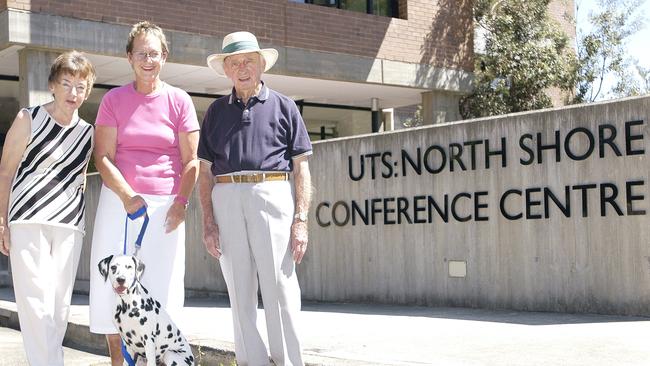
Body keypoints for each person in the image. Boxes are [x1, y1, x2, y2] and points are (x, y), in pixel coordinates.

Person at [198, 31, 313, 366]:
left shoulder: (285, 106)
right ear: (227, 69)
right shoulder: (216, 112)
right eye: (234, 62)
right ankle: (252, 362)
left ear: (262, 64)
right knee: (239, 289)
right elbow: (204, 173)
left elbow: (302, 169)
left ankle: (289, 362)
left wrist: (301, 220)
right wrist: (208, 221)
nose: (242, 67)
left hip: (272, 193)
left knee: (279, 287)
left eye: (249, 60)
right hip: (226, 197)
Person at [88, 21, 200, 366]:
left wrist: (181, 204)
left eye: (154, 53)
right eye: (141, 53)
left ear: (164, 57)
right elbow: (102, 156)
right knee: (113, 287)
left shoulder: (179, 100)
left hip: (166, 206)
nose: (148, 59)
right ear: (129, 57)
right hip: (119, 202)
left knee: (160, 290)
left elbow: (191, 161)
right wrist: (126, 195)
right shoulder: (113, 99)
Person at [0, 50, 96, 365]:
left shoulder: (87, 132)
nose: (73, 93)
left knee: (59, 306)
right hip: (27, 218)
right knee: (34, 302)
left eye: (81, 86)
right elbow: (6, 171)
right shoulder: (29, 118)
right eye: (66, 84)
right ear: (53, 85)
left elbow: (79, 176)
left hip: (69, 224)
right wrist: (2, 220)